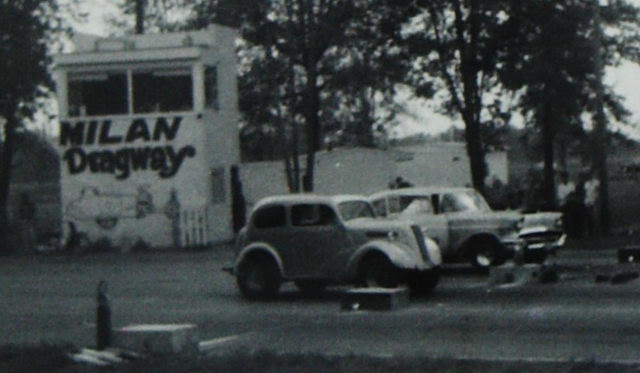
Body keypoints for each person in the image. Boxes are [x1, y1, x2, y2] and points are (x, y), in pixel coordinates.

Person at [583, 171, 600, 237]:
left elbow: (598, 191)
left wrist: (596, 199)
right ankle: (590, 232)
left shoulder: (596, 182)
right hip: (588, 201)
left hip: (594, 201)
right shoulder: (586, 184)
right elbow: (585, 193)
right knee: (589, 216)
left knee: (595, 216)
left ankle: (596, 232)